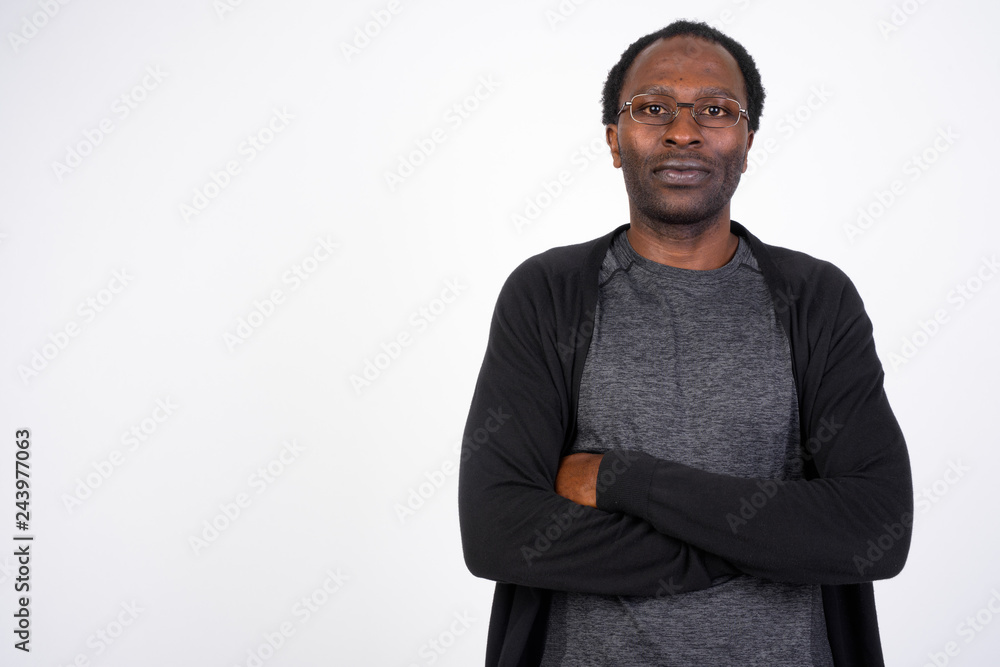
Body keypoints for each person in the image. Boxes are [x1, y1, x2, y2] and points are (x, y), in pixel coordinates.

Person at [458, 19, 912, 667]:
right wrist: (770, 541)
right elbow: (499, 530)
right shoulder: (547, 293)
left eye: (715, 109)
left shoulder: (816, 298)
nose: (682, 129)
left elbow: (873, 527)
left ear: (748, 141)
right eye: (653, 108)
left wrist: (621, 478)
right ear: (615, 140)